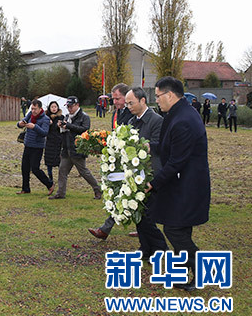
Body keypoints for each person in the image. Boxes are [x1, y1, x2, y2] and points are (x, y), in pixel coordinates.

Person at [147, 76, 210, 291]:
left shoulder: (183, 120)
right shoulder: (179, 113)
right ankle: (181, 274)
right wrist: (150, 146)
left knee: (174, 229)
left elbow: (176, 161)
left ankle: (202, 269)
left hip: (188, 185)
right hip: (183, 184)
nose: (157, 100)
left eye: (158, 96)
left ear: (170, 95)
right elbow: (170, 145)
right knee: (179, 228)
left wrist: (153, 184)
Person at [123, 87, 169, 260]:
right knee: (138, 213)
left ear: (142, 101)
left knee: (147, 216)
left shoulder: (157, 121)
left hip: (151, 174)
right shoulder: (131, 121)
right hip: (135, 174)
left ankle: (161, 248)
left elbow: (159, 147)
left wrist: (153, 178)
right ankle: (146, 248)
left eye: (131, 103)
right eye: (127, 104)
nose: (128, 107)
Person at [89, 83, 138, 239]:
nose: (115, 102)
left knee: (130, 193)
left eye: (118, 99)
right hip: (119, 158)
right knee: (124, 192)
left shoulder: (133, 113)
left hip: (133, 160)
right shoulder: (117, 113)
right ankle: (107, 229)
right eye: (113, 99)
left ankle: (106, 229)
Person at [49, 96, 101, 200]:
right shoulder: (67, 116)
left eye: (71, 106)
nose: (69, 109)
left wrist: (68, 126)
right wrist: (60, 126)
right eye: (68, 107)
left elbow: (85, 130)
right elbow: (64, 131)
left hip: (78, 149)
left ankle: (97, 189)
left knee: (84, 172)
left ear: (77, 105)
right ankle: (60, 193)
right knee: (62, 171)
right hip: (66, 148)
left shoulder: (84, 117)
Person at [17, 99, 54, 195]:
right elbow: (22, 122)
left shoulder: (45, 119)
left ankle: (49, 184)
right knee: (24, 168)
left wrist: (34, 127)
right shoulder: (30, 115)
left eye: (35, 109)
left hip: (37, 147)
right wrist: (20, 124)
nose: (33, 111)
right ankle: (25, 189)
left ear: (40, 109)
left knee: (35, 169)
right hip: (28, 144)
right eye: (32, 109)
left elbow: (44, 133)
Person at [43, 101, 64, 186]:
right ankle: (50, 179)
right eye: (52, 107)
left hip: (58, 141)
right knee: (49, 162)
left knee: (59, 161)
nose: (54, 108)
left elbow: (64, 129)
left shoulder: (61, 117)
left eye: (55, 106)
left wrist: (59, 126)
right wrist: (48, 124)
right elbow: (43, 129)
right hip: (49, 141)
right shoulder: (46, 117)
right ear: (49, 108)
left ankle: (61, 179)